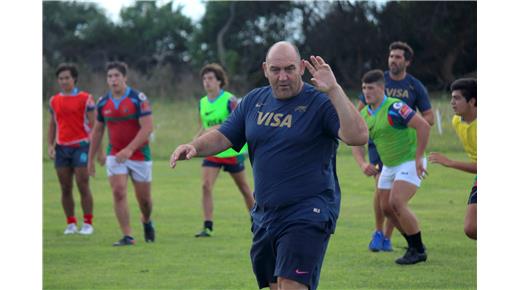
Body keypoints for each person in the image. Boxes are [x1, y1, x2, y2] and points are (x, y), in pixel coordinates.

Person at [170, 41, 368, 290]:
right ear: (265, 69)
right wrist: (195, 147)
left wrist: (335, 90)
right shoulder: (254, 101)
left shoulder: (320, 103)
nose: (283, 77)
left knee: (291, 285)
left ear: (302, 68)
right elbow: (224, 135)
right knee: (274, 285)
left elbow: (358, 136)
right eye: (276, 70)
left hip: (308, 212)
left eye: (289, 69)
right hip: (265, 214)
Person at [353, 41, 434, 252]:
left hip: (407, 159)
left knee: (397, 202)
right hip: (387, 160)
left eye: (370, 88)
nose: (366, 92)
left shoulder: (397, 105)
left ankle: (415, 248)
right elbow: (355, 139)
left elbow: (425, 124)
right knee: (386, 207)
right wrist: (362, 163)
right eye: (363, 89)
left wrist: (418, 157)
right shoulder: (364, 114)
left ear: (381, 88)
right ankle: (407, 243)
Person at [87, 61, 155, 246]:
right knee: (118, 192)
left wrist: (130, 149)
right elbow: (98, 131)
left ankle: (146, 220)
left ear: (125, 77)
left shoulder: (137, 99)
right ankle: (128, 236)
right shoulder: (103, 103)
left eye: (117, 76)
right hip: (115, 154)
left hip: (140, 155)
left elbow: (147, 127)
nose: (113, 80)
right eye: (110, 76)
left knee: (145, 201)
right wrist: (90, 159)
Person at [193, 63, 255, 237]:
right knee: (205, 186)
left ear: (219, 81)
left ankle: (257, 220)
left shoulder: (230, 100)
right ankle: (207, 226)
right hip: (212, 152)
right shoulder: (202, 103)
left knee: (244, 188)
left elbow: (237, 123)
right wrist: (194, 142)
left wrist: (214, 130)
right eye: (204, 79)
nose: (207, 82)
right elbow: (203, 128)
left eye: (211, 78)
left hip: (231, 151)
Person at [48, 63, 101, 235]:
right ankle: (70, 223)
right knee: (65, 187)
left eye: (67, 78)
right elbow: (52, 124)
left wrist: (97, 150)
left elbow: (94, 125)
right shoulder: (54, 100)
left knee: (82, 184)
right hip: (62, 148)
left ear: (74, 79)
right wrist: (50, 145)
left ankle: (88, 223)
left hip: (82, 146)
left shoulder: (86, 98)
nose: (64, 81)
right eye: (61, 78)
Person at [429, 78, 477, 240]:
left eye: (457, 98)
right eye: (452, 98)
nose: (452, 102)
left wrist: (450, 162)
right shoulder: (457, 120)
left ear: (472, 101)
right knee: (471, 229)